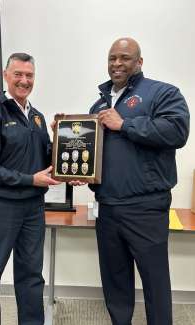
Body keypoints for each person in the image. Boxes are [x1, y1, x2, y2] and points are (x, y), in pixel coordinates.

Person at [89, 38, 190, 325]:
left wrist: (125, 124)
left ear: (139, 62)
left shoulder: (163, 93)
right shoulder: (99, 102)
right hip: (107, 207)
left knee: (155, 282)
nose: (117, 64)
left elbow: (176, 131)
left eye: (124, 57)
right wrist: (69, 142)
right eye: (112, 58)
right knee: (115, 282)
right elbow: (92, 150)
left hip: (146, 208)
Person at [0, 53, 60, 325]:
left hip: (33, 208)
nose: (24, 81)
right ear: (5, 75)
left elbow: (45, 160)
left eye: (29, 75)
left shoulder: (37, 117)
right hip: (2, 208)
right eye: (18, 74)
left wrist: (61, 142)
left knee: (32, 275)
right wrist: (29, 180)